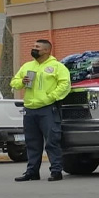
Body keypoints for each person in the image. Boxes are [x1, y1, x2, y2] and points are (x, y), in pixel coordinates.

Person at [10, 39, 71, 182]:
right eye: (33, 46)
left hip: (48, 109)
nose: (34, 49)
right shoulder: (27, 66)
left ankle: (56, 171)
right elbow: (14, 82)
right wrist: (21, 82)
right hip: (30, 109)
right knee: (32, 142)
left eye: (37, 47)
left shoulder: (57, 66)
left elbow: (65, 84)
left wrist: (51, 97)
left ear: (46, 50)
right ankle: (32, 172)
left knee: (52, 141)